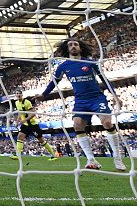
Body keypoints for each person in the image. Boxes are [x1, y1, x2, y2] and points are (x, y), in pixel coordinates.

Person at [37, 38, 125, 171]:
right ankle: (91, 160)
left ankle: (117, 158)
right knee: (77, 124)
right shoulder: (63, 67)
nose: (73, 46)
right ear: (67, 49)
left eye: (75, 44)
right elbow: (54, 82)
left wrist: (115, 96)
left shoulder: (90, 63)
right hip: (80, 101)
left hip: (97, 98)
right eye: (70, 45)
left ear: (80, 48)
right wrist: (43, 95)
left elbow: (104, 80)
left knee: (107, 123)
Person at [9, 89, 57, 161]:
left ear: (22, 95)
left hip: (33, 125)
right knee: (19, 137)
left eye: (19, 93)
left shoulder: (27, 102)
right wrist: (17, 121)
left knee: (41, 140)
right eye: (17, 93)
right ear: (15, 95)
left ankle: (53, 155)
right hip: (25, 125)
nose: (18, 95)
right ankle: (17, 155)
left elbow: (33, 113)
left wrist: (24, 120)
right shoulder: (16, 103)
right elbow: (20, 113)